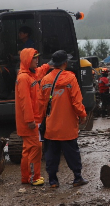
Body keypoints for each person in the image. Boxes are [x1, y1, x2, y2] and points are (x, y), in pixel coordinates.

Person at [38, 50, 89, 188]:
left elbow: (41, 104)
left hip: (51, 126)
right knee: (72, 152)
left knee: (51, 153)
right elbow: (76, 102)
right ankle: (77, 177)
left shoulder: (45, 80)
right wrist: (83, 115)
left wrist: (42, 119)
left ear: (53, 64)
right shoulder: (71, 79)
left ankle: (53, 180)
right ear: (65, 63)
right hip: (67, 126)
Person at [15, 48, 49, 186]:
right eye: (34, 58)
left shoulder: (30, 75)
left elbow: (40, 71)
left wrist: (49, 65)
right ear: (27, 60)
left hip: (33, 120)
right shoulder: (23, 78)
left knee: (28, 149)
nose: (37, 60)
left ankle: (25, 177)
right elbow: (25, 101)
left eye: (37, 57)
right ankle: (34, 177)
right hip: (30, 122)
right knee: (36, 148)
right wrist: (30, 120)